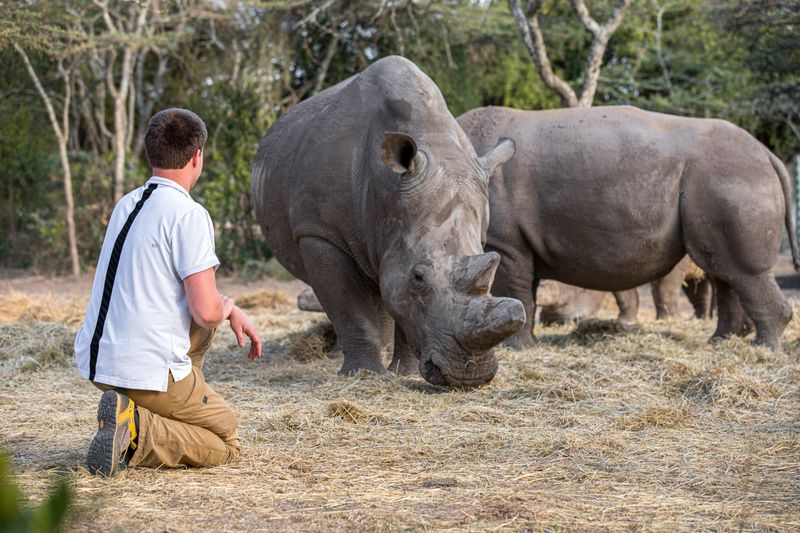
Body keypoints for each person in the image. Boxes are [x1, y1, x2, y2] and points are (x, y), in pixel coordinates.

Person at [74, 108, 262, 477]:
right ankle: (136, 432)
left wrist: (227, 308)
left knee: (203, 310)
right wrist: (229, 308)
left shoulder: (126, 204)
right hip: (142, 374)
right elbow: (207, 313)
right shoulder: (188, 214)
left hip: (99, 363)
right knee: (226, 441)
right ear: (197, 156)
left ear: (150, 153)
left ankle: (135, 415)